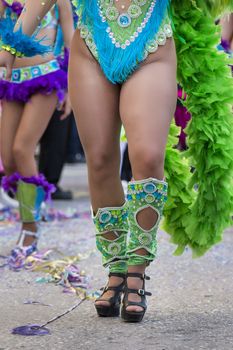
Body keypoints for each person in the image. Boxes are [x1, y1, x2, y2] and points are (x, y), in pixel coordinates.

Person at [0, 0, 232, 323]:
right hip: (92, 45)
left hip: (151, 42)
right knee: (100, 160)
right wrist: (11, 44)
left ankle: (136, 274)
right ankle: (116, 270)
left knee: (148, 156)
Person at [0, 0, 74, 258]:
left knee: (22, 149)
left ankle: (30, 228)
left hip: (45, 77)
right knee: (8, 159)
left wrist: (71, 89)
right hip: (11, 81)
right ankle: (29, 213)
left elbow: (70, 42)